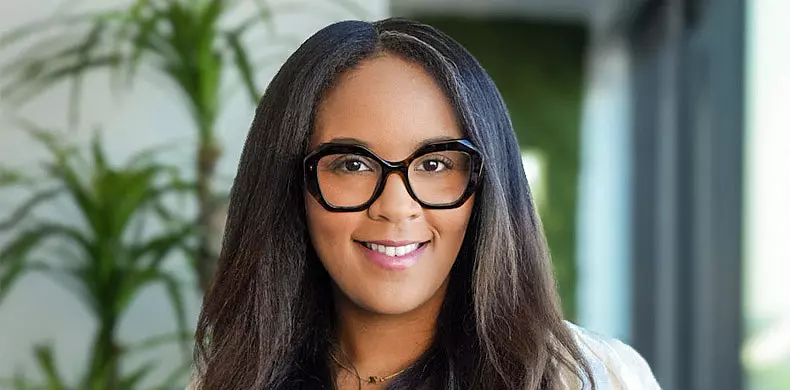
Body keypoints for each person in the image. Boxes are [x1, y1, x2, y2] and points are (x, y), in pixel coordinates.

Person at [188, 18, 660, 390]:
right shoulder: (228, 381)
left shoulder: (593, 378)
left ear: (486, 186)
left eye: (435, 165)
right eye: (352, 164)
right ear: (290, 186)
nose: (396, 207)